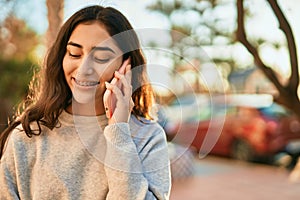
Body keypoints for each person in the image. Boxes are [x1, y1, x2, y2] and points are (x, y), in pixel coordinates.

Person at [0, 5, 171, 199]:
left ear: (127, 65)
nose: (83, 69)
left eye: (101, 57)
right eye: (74, 53)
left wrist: (119, 132)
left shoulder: (148, 137)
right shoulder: (28, 135)